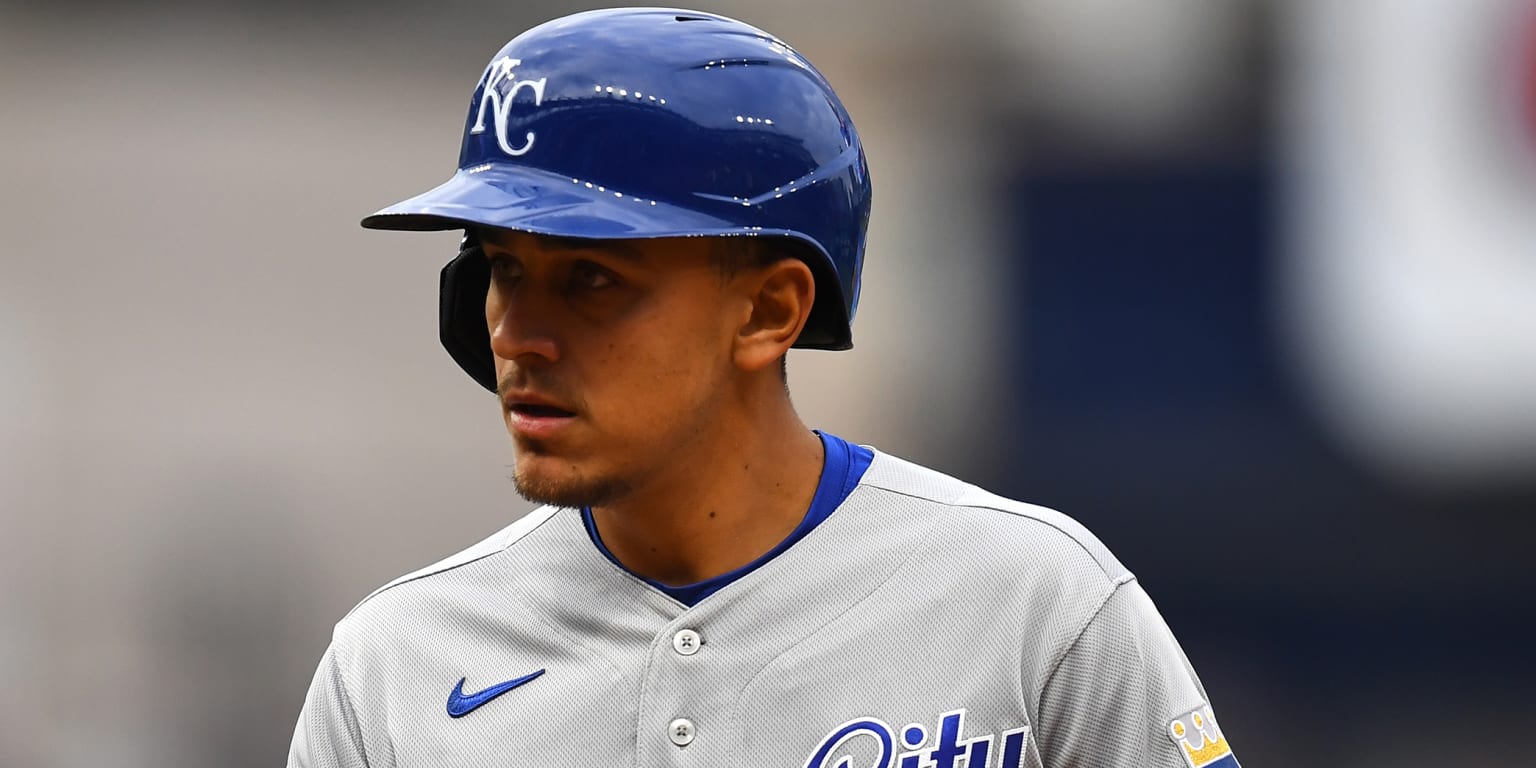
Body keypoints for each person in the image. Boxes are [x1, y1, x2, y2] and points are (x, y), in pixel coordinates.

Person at [288, 8, 1241, 768]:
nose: (516, 335)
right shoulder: (393, 667)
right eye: (502, 269)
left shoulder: (1033, 602)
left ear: (770, 312)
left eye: (591, 279)